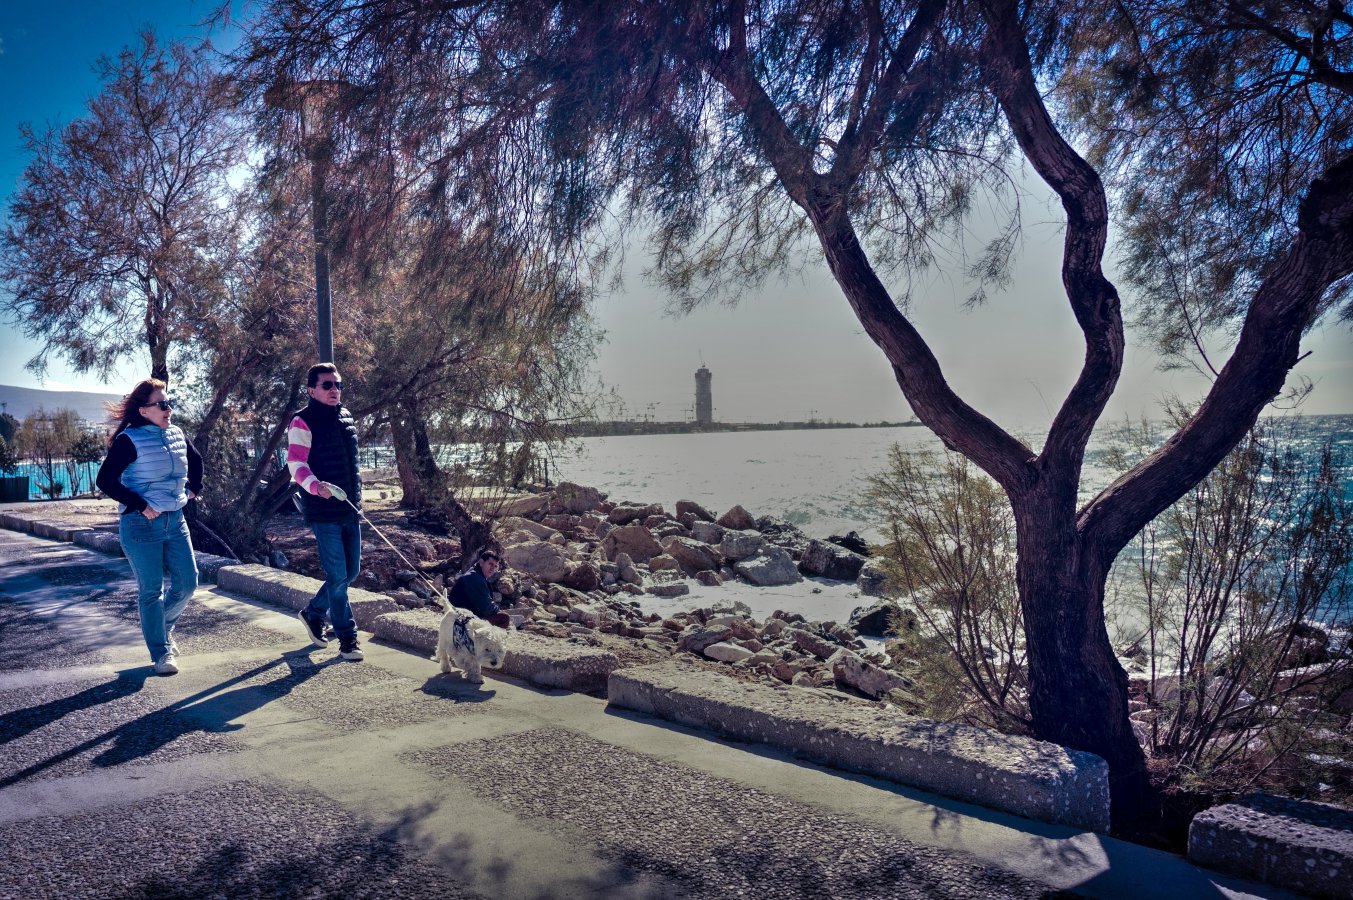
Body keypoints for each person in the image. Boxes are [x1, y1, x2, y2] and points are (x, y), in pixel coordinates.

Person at [96, 378, 202, 676]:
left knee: (189, 582)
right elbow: (105, 481)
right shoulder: (128, 441)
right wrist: (141, 504)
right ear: (144, 411)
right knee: (151, 591)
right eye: (162, 405)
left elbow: (196, 461)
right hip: (141, 524)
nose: (169, 409)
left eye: (169, 403)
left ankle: (161, 627)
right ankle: (161, 652)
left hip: (175, 520)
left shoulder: (177, 434)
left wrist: (194, 489)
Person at [287, 363, 365, 661]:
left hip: (350, 508)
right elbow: (296, 464)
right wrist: (316, 486)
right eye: (327, 385)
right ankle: (348, 639)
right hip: (323, 511)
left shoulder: (346, 417)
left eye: (338, 385)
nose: (335, 390)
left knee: (351, 572)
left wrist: (358, 499)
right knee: (337, 576)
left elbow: (352, 466)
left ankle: (314, 612)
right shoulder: (301, 421)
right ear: (311, 390)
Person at [448, 549, 512, 627]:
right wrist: (499, 611)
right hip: (459, 618)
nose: (492, 569)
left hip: (464, 614)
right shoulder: (474, 577)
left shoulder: (478, 576)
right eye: (490, 564)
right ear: (481, 562)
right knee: (504, 618)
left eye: (495, 566)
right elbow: (487, 608)